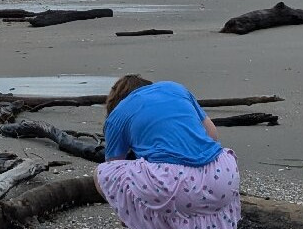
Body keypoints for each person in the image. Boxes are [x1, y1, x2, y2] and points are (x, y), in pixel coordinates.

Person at [95, 75, 240, 229]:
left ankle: (135, 222)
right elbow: (212, 135)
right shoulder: (175, 88)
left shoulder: (118, 114)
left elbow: (114, 164)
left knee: (102, 173)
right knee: (191, 202)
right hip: (223, 176)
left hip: (173, 185)